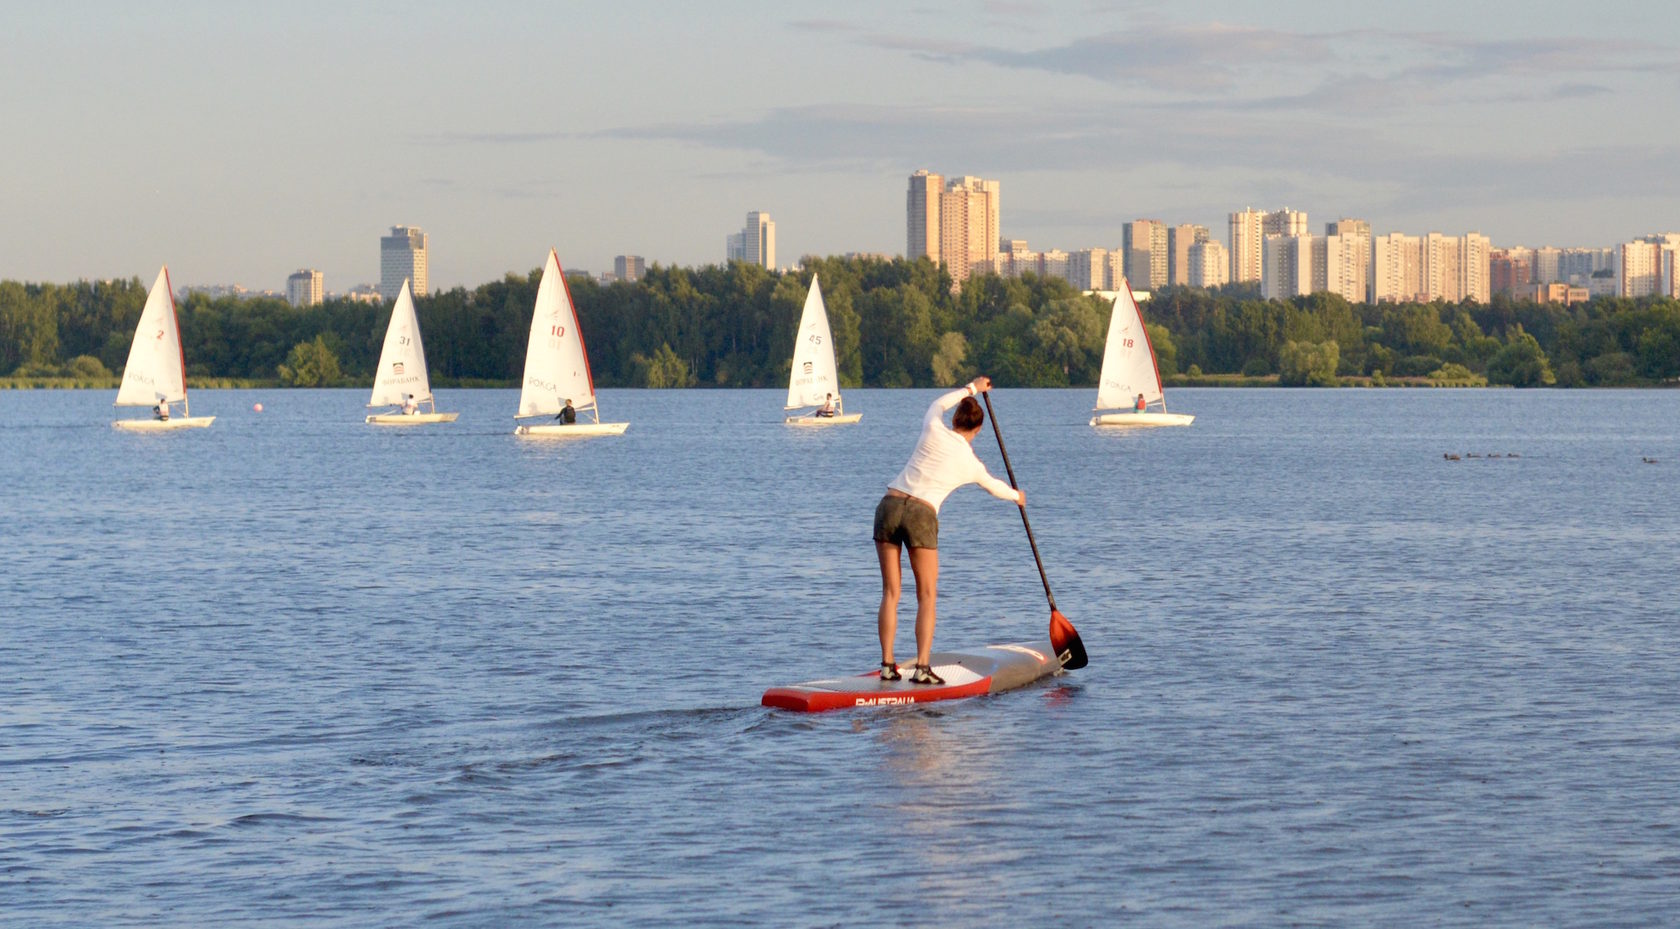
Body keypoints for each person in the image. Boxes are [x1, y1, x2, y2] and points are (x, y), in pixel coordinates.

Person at [873, 376, 1023, 685]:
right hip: (921, 513)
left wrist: (972, 388)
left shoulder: (933, 426)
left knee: (891, 592)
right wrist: (1017, 497)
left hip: (889, 503)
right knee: (926, 595)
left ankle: (888, 665)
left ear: (954, 420)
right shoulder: (971, 463)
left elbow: (938, 403)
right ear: (977, 430)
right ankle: (923, 668)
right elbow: (996, 488)